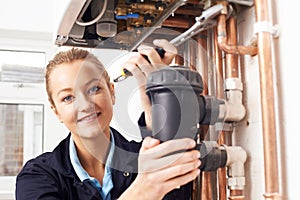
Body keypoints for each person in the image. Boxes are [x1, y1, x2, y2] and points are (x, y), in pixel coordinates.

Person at [15, 39, 201, 200]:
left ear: (112, 93)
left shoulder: (143, 159)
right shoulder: (37, 176)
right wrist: (143, 191)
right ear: (56, 112)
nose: (85, 105)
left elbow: (179, 182)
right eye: (68, 98)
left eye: (94, 89)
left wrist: (158, 101)